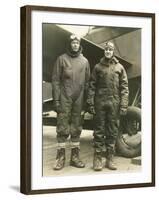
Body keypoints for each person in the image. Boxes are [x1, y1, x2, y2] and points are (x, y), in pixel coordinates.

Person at [87, 41, 129, 171]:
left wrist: (123, 105)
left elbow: (124, 88)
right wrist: (90, 103)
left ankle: (110, 158)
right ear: (104, 51)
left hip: (114, 104)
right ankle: (98, 158)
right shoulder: (98, 67)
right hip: (100, 103)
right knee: (99, 131)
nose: (108, 52)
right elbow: (92, 86)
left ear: (113, 52)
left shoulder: (119, 68)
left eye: (110, 50)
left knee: (112, 131)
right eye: (106, 50)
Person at [52, 34, 90, 170]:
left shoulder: (85, 61)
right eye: (73, 42)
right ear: (70, 44)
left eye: (77, 43)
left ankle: (75, 157)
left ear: (79, 45)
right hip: (64, 98)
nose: (75, 45)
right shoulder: (61, 59)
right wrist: (56, 100)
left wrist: (86, 102)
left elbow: (87, 84)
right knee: (62, 127)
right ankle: (60, 158)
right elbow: (56, 81)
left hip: (79, 99)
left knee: (77, 127)